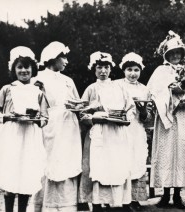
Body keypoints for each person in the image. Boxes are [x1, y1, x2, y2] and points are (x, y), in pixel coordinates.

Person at [147, 30, 185, 209]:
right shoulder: (160, 71)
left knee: (181, 153)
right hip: (167, 116)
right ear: (167, 55)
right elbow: (152, 92)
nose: (175, 56)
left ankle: (178, 195)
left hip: (184, 116)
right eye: (171, 53)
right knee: (166, 153)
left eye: (177, 53)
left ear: (182, 54)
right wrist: (169, 94)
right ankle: (165, 194)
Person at [0, 46, 48, 212]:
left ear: (33, 69)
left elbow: (44, 117)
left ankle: (22, 209)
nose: (24, 71)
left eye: (27, 67)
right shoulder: (7, 89)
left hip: (30, 136)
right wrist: (7, 117)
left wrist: (37, 120)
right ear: (14, 70)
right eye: (20, 67)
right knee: (11, 172)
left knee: (27, 172)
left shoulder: (38, 91)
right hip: (12, 136)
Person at [78, 51, 136, 212]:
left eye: (106, 67)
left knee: (117, 166)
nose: (103, 71)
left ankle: (117, 203)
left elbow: (130, 108)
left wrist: (126, 119)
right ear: (94, 69)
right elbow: (82, 113)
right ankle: (97, 204)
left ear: (111, 69)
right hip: (99, 134)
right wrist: (94, 119)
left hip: (117, 134)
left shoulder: (119, 87)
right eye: (99, 67)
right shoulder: (91, 89)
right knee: (99, 167)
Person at [33, 41, 82, 212]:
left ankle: (66, 206)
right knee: (50, 162)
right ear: (52, 58)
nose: (66, 61)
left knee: (67, 161)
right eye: (63, 57)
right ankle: (46, 206)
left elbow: (78, 102)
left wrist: (79, 108)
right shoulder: (38, 79)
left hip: (70, 127)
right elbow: (34, 104)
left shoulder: (68, 80)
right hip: (50, 126)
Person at [115, 52, 151, 211]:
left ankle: (134, 198)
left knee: (137, 160)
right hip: (121, 129)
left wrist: (143, 111)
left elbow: (148, 117)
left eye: (136, 70)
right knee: (122, 160)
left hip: (137, 129)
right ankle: (122, 198)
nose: (133, 73)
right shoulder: (116, 86)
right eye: (129, 69)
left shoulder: (145, 89)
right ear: (123, 70)